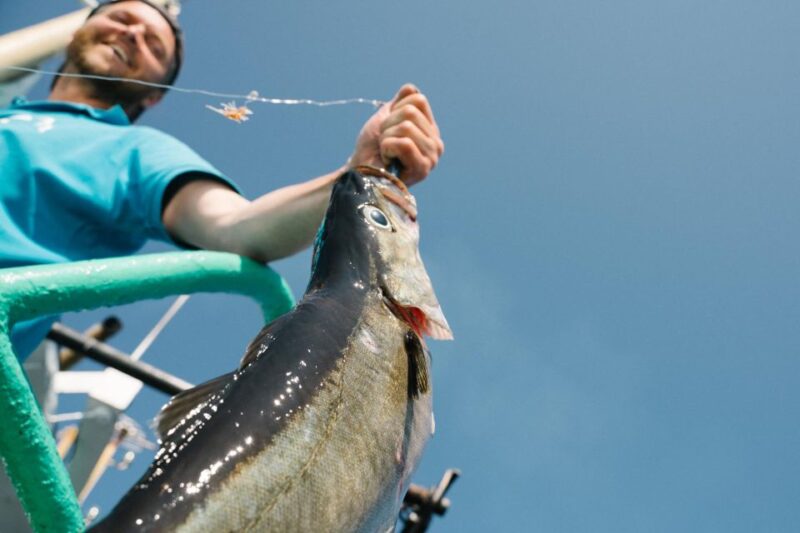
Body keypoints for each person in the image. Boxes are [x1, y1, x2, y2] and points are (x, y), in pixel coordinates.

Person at [0, 0, 444, 360]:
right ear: (78, 31)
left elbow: (236, 227)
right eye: (121, 18)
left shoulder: (137, 155)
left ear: (155, 95)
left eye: (154, 44)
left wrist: (357, 170)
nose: (133, 33)